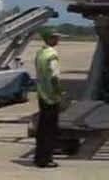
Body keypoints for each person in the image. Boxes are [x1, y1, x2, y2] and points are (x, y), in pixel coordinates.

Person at [34, 27, 64, 168]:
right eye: (55, 37)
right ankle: (46, 159)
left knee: (42, 128)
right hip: (51, 97)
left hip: (42, 94)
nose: (58, 39)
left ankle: (39, 157)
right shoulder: (52, 54)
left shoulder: (40, 53)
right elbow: (54, 77)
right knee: (50, 129)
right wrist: (59, 93)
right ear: (50, 38)